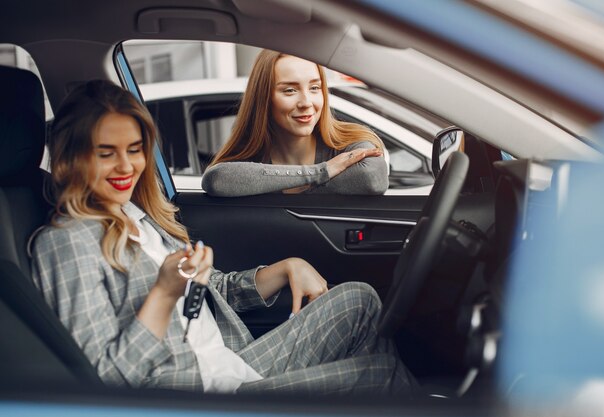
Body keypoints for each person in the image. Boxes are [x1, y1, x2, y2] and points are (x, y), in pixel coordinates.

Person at [30, 80, 418, 395]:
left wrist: (285, 269)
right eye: (105, 153)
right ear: (69, 158)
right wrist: (163, 295)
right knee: (380, 375)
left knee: (360, 300)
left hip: (231, 364)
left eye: (134, 150)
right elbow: (103, 379)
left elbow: (209, 294)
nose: (126, 166)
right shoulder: (67, 243)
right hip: (197, 394)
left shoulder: (138, 216)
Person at [201, 50, 389, 197]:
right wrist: (321, 172)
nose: (306, 102)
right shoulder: (250, 157)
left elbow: (373, 177)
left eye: (315, 88)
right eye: (290, 90)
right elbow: (216, 180)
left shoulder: (352, 142)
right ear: (264, 98)